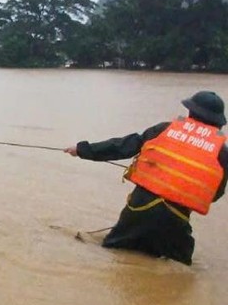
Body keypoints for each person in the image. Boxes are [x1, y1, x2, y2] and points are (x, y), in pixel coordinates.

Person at [64, 91, 228, 265]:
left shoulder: (164, 129)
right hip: (175, 220)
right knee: (181, 268)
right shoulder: (222, 152)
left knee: (112, 250)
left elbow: (122, 147)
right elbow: (215, 193)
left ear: (190, 112)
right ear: (217, 122)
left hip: (138, 210)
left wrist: (81, 150)